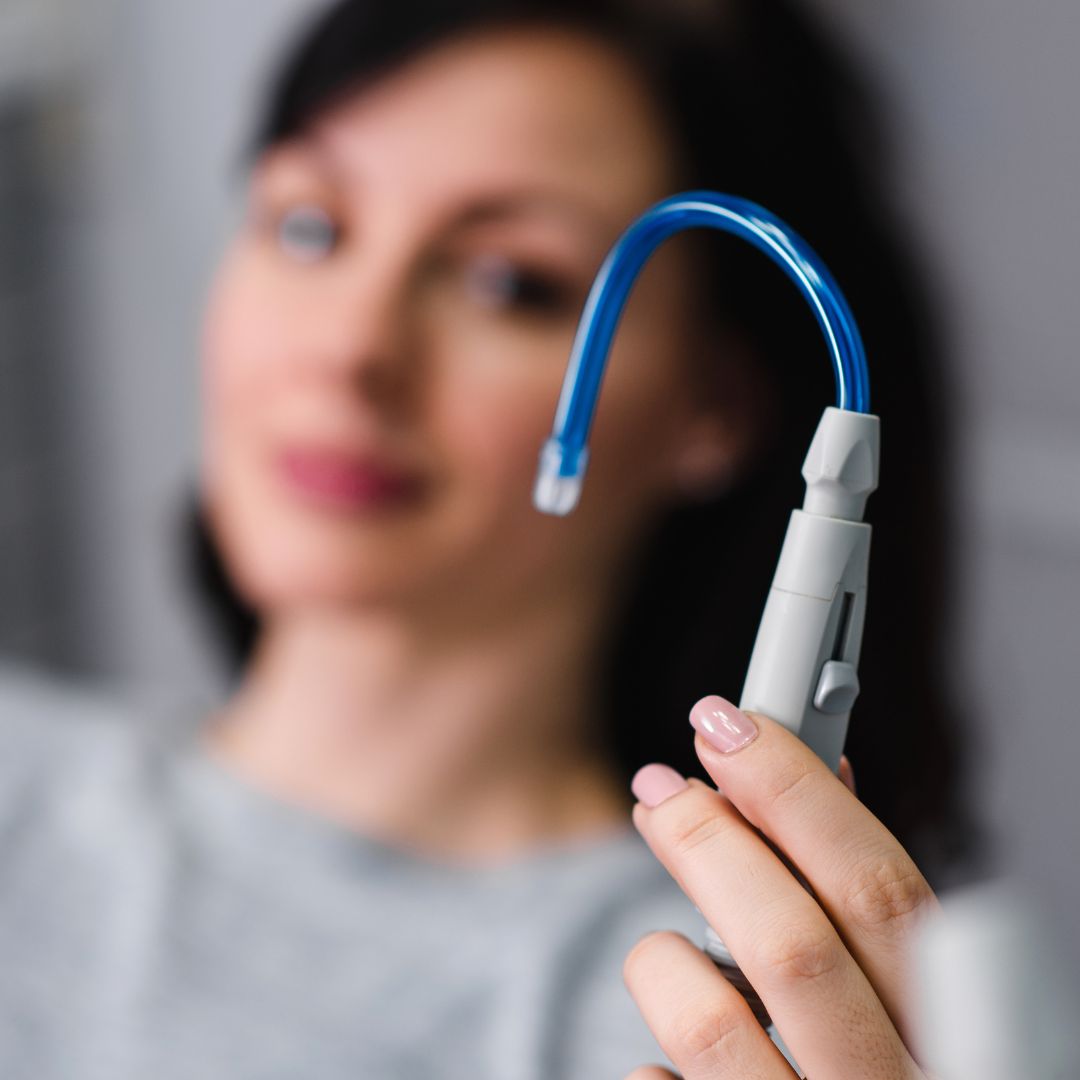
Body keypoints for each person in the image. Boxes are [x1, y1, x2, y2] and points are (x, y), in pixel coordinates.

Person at [0, 0, 975, 1077]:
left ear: (719, 405)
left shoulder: (737, 1012)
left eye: (509, 282)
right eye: (311, 226)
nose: (350, 348)